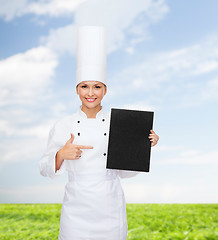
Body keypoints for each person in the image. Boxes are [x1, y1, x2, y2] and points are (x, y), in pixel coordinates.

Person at [39, 26, 159, 240]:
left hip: (109, 205)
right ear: (77, 89)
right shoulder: (63, 124)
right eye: (84, 86)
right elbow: (44, 168)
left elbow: (126, 171)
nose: (91, 93)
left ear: (105, 90)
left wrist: (143, 144)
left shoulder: (121, 123)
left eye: (97, 87)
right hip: (76, 208)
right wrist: (60, 155)